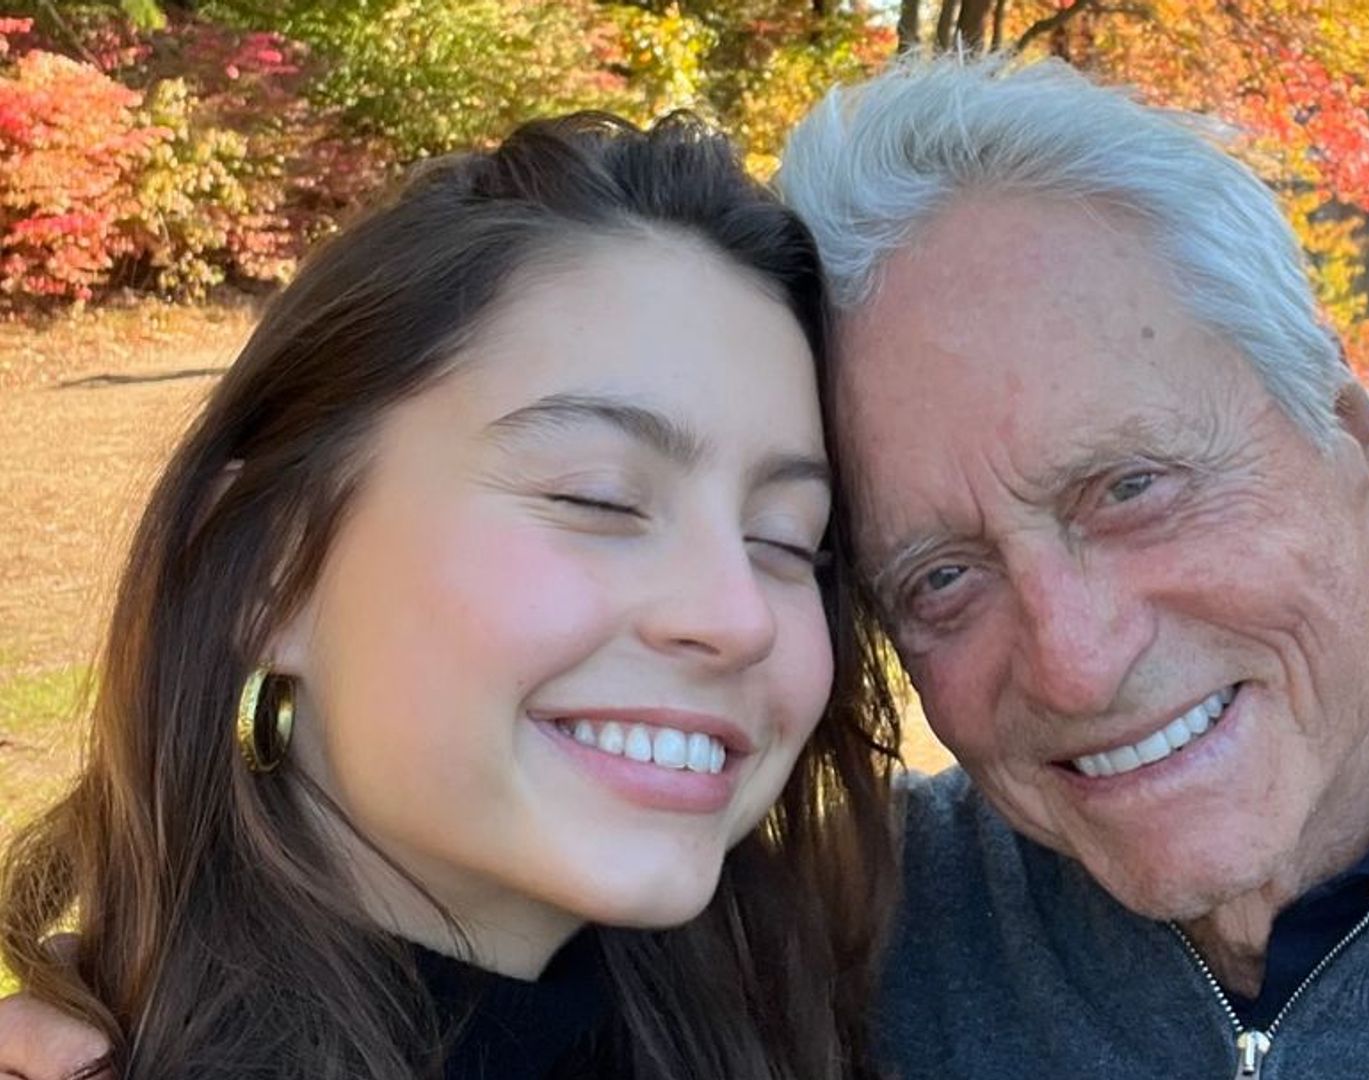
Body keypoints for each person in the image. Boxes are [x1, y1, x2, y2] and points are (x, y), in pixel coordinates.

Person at [10, 56, 1369, 1080]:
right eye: (927, 576)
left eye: (1136, 486)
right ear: (263, 559)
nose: (1075, 660)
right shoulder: (854, 938)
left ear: (1354, 451)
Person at [0, 112, 898, 1078]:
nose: (738, 616)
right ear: (269, 564)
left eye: (786, 542)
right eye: (596, 497)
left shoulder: (816, 1012)